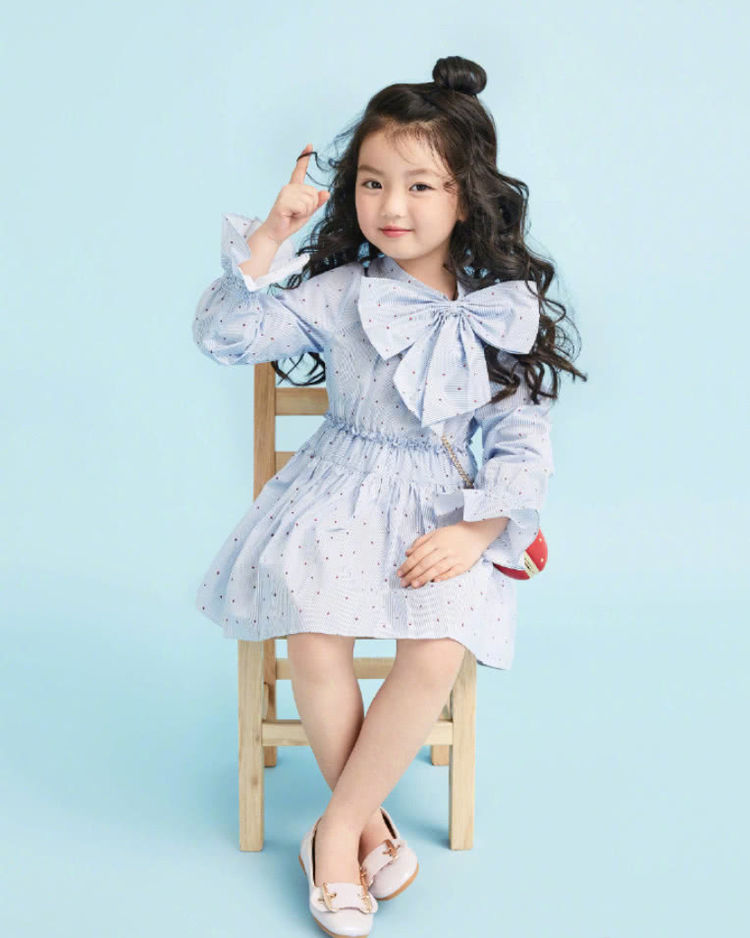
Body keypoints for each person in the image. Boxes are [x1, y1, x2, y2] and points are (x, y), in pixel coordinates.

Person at [192, 54, 586, 937]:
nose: (391, 205)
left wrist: (479, 528)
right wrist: (268, 239)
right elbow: (225, 336)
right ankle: (358, 834)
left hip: (443, 509)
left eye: (418, 185)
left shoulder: (496, 308)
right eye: (372, 182)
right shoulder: (341, 294)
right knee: (313, 628)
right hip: (334, 492)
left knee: (438, 647)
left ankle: (333, 830)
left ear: (466, 197)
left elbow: (523, 440)